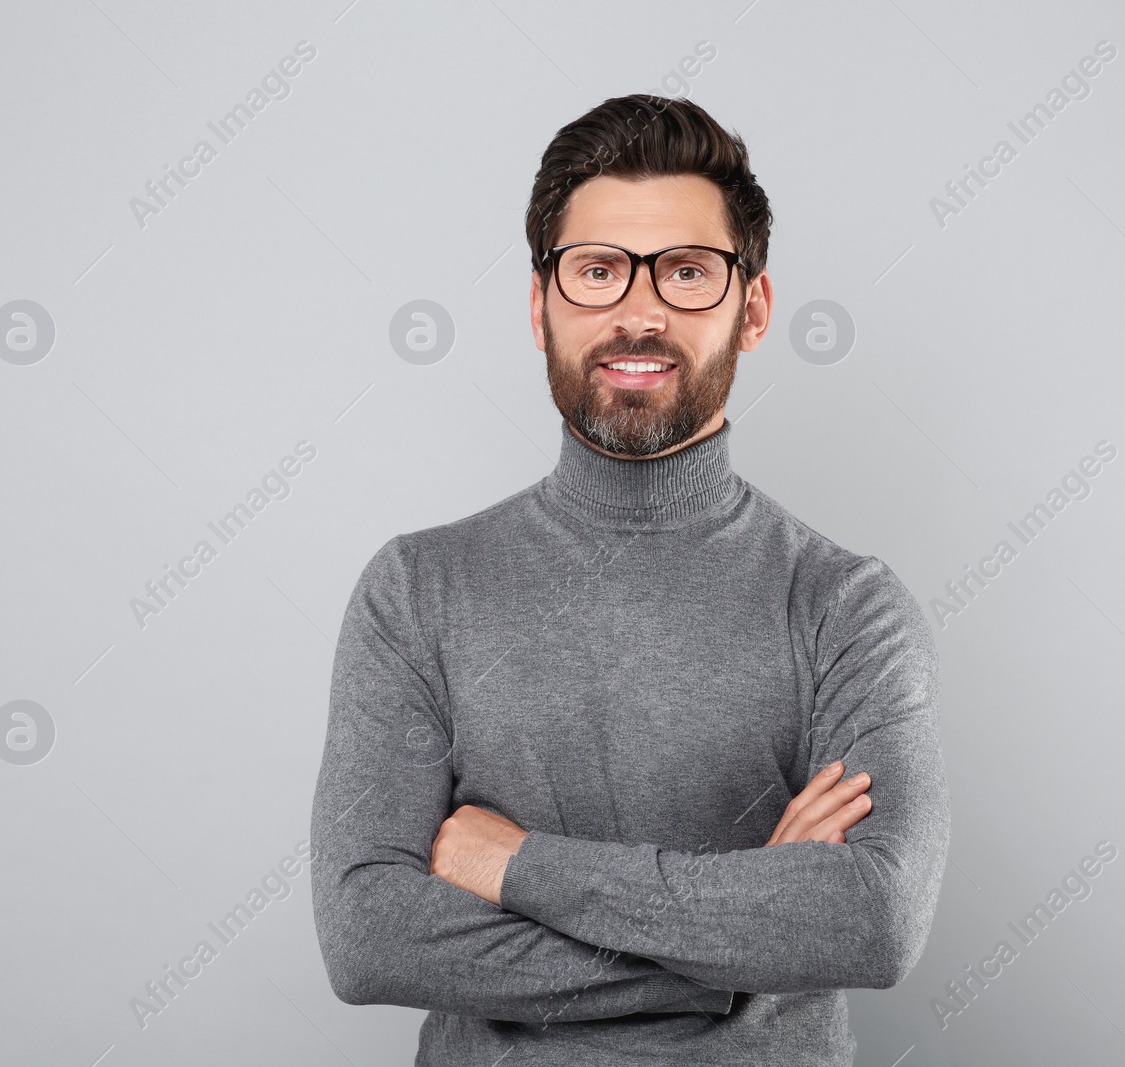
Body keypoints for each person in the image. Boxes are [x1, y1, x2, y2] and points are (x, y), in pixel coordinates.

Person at [310, 93, 950, 1067]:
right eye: (598, 270)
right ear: (540, 306)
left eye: (688, 271)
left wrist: (513, 862)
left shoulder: (848, 607)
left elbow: (870, 921)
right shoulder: (418, 588)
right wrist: (747, 933)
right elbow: (369, 936)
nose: (640, 312)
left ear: (754, 307)